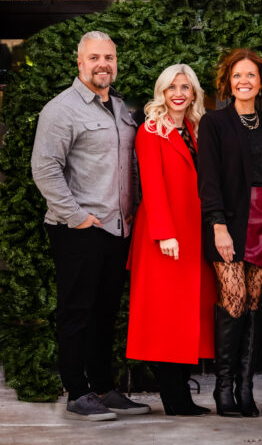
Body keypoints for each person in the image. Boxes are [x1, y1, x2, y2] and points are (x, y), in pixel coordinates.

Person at [31, 31, 150, 421]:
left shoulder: (119, 107)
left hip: (117, 229)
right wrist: (77, 216)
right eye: (95, 57)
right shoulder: (61, 109)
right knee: (76, 311)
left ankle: (103, 387)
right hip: (78, 229)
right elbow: (45, 169)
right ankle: (77, 391)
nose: (103, 64)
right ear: (80, 62)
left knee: (104, 312)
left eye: (109, 58)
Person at [126, 64, 216, 415]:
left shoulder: (193, 129)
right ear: (162, 93)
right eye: (171, 87)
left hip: (193, 236)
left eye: (185, 86)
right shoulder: (151, 130)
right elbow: (151, 184)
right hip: (165, 238)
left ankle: (181, 396)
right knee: (166, 319)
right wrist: (165, 233)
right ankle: (174, 398)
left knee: (185, 317)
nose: (178, 92)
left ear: (194, 93)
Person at [197, 49, 262, 417]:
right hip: (229, 222)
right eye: (236, 76)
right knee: (233, 299)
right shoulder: (214, 122)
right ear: (227, 82)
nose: (243, 81)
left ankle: (246, 389)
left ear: (261, 82)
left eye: (250, 75)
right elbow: (208, 179)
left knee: (253, 305)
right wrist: (218, 225)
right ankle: (223, 388)